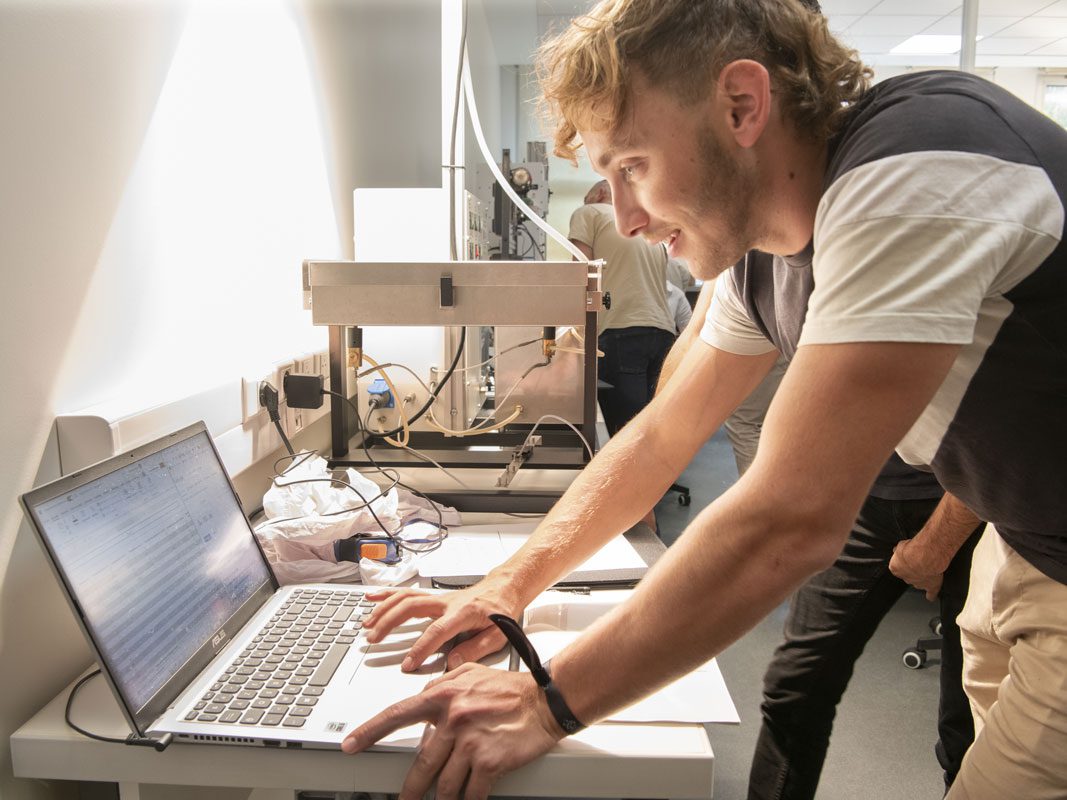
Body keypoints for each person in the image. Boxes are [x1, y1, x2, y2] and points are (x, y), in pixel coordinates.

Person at [341, 3, 1067, 799]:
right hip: (1021, 538)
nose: (623, 217)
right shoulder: (762, 257)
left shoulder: (917, 167)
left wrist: (547, 705)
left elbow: (791, 517)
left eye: (632, 166)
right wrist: (510, 584)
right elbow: (661, 435)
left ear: (741, 106)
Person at [662, 268, 979, 798]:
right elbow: (680, 396)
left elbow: (1019, 430)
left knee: (966, 709)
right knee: (796, 687)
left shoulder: (945, 236)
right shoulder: (766, 269)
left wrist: (938, 543)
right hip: (866, 496)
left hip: (970, 499)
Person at [571, 179, 677, 435]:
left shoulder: (588, 212)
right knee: (654, 424)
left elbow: (576, 273)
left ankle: (641, 476)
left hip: (622, 332)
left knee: (627, 431)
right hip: (663, 334)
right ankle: (661, 476)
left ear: (597, 194)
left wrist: (573, 337)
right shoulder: (646, 229)